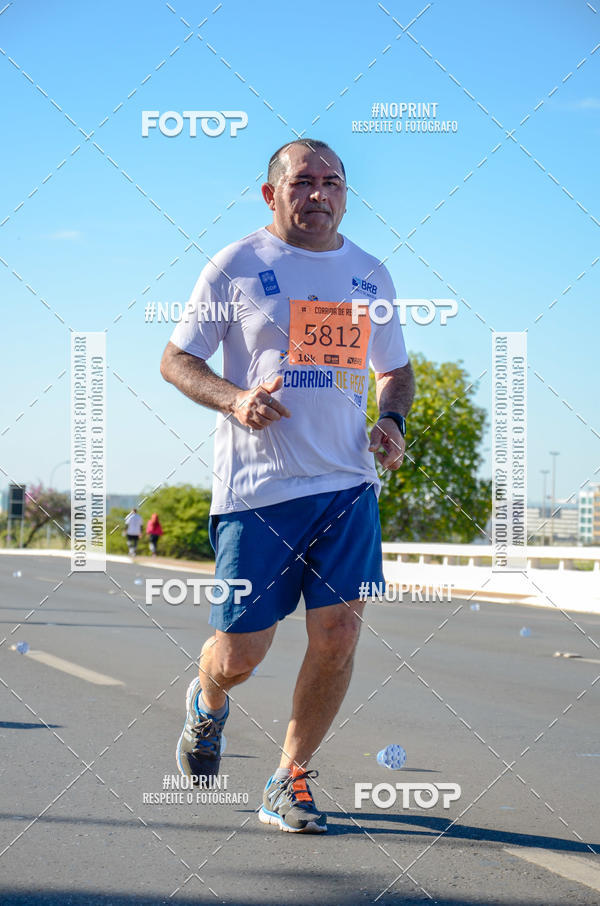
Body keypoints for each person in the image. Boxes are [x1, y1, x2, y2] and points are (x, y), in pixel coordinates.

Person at [160, 138, 414, 834]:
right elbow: (177, 359)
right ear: (271, 193)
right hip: (257, 491)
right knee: (241, 656)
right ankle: (208, 699)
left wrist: (391, 419)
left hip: (347, 484)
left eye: (333, 182)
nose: (320, 194)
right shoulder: (235, 265)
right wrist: (235, 398)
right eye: (303, 182)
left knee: (339, 634)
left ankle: (289, 780)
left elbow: (395, 369)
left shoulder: (369, 272)